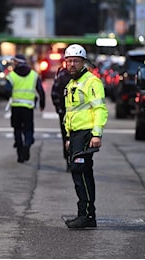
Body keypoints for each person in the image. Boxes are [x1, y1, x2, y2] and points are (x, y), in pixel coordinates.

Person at [63, 44, 108, 229]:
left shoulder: (91, 82)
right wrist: (68, 137)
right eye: (69, 61)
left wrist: (97, 134)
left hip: (86, 134)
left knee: (81, 173)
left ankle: (86, 215)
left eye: (75, 61)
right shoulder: (72, 83)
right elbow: (71, 112)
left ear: (83, 62)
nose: (71, 64)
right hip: (75, 135)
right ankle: (87, 215)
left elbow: (100, 109)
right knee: (80, 173)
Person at [6, 54, 46, 163]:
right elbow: (41, 91)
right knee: (28, 129)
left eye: (14, 62)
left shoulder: (12, 75)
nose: (13, 64)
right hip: (28, 107)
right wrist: (42, 103)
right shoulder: (34, 75)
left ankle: (20, 155)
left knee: (17, 130)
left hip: (16, 107)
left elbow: (6, 91)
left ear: (18, 63)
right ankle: (27, 144)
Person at [51, 60, 71, 171]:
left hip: (77, 114)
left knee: (69, 137)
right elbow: (55, 93)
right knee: (67, 137)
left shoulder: (86, 77)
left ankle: (72, 160)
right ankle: (69, 160)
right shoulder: (61, 75)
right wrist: (59, 107)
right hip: (65, 112)